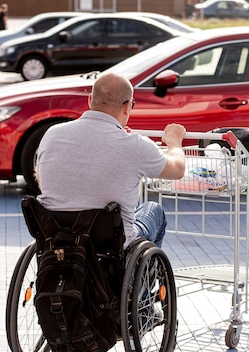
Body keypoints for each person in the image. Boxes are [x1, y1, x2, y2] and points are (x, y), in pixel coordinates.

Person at [36, 72, 186, 249]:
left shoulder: (52, 134)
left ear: (90, 99)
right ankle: (148, 275)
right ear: (127, 106)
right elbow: (177, 170)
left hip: (58, 240)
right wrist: (174, 142)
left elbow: (42, 178)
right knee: (153, 210)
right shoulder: (135, 145)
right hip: (111, 244)